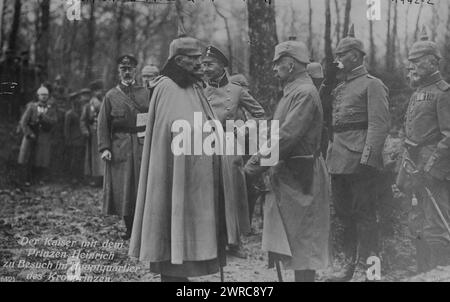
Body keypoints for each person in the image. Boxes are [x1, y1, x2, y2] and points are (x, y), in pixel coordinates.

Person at [129, 34, 241, 282]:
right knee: (172, 230)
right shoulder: (168, 87)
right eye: (194, 58)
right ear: (179, 60)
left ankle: (181, 278)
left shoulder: (193, 85)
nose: (200, 63)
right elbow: (177, 127)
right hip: (175, 175)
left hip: (194, 176)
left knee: (187, 238)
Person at [244, 40, 330, 282]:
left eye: (277, 64)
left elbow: (285, 137)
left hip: (303, 177)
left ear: (290, 65)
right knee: (296, 244)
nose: (273, 69)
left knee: (304, 246)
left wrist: (252, 167)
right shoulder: (293, 91)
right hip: (291, 175)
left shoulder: (304, 93)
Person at [324, 25, 390, 281]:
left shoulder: (372, 85)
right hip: (338, 159)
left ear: (355, 55)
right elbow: (328, 117)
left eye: (341, 54)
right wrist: (328, 79)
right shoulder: (339, 88)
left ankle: (370, 270)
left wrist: (368, 158)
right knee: (344, 216)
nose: (337, 59)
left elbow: (379, 124)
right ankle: (348, 267)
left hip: (360, 161)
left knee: (365, 215)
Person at [202, 46, 265, 258]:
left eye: (209, 64)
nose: (205, 68)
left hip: (230, 147)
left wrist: (242, 130)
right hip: (206, 148)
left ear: (221, 66)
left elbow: (260, 115)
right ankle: (212, 241)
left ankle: (234, 241)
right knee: (209, 193)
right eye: (203, 64)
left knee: (233, 193)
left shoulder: (236, 91)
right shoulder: (200, 90)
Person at [396, 27, 450, 273]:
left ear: (432, 62)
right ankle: (422, 271)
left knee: (436, 223)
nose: (412, 67)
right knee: (416, 221)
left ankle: (440, 272)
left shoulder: (443, 93)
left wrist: (430, 168)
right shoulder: (417, 93)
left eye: (416, 62)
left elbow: (448, 136)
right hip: (413, 167)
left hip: (433, 171)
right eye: (411, 63)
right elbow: (408, 132)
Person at [97, 55, 150, 240]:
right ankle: (129, 227)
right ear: (119, 71)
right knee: (125, 187)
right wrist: (105, 148)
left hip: (143, 145)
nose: (127, 72)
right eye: (123, 69)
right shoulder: (111, 96)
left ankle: (143, 227)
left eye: (130, 69)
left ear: (135, 70)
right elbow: (103, 124)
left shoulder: (145, 92)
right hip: (120, 147)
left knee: (142, 185)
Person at [18, 86, 57, 185]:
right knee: (27, 157)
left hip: (44, 136)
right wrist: (29, 133)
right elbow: (23, 122)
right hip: (31, 136)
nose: (44, 97)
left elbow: (54, 121)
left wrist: (44, 118)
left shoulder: (51, 109)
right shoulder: (32, 107)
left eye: (46, 95)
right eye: (42, 95)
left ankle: (40, 179)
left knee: (42, 158)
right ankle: (26, 179)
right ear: (38, 96)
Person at [81, 80, 104, 186]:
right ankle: (95, 179)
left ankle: (104, 178)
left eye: (99, 90)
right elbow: (83, 120)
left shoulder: (106, 101)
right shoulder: (88, 105)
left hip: (104, 132)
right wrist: (85, 131)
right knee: (93, 157)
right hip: (92, 133)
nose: (98, 92)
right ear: (93, 92)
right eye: (96, 91)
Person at [64, 91, 85, 184]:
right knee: (74, 160)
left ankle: (79, 178)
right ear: (72, 102)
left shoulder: (81, 112)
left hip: (81, 139)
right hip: (73, 140)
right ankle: (73, 178)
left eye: (78, 99)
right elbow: (66, 128)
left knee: (80, 159)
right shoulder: (69, 114)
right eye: (74, 100)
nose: (77, 102)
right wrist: (68, 140)